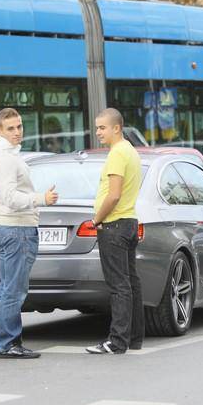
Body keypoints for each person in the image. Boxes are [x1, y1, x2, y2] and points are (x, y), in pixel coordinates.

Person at [0, 108, 58, 359]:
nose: (17, 132)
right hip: (17, 227)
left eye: (19, 127)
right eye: (10, 128)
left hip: (8, 226)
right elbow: (10, 197)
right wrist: (42, 199)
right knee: (15, 290)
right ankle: (8, 342)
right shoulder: (5, 158)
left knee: (6, 287)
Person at [86, 108, 143, 355]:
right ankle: (134, 338)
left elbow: (114, 194)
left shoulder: (117, 154)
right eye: (97, 127)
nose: (97, 132)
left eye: (102, 127)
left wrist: (97, 219)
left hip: (114, 224)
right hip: (128, 222)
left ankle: (117, 341)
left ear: (116, 128)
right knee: (131, 283)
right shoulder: (130, 150)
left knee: (118, 285)